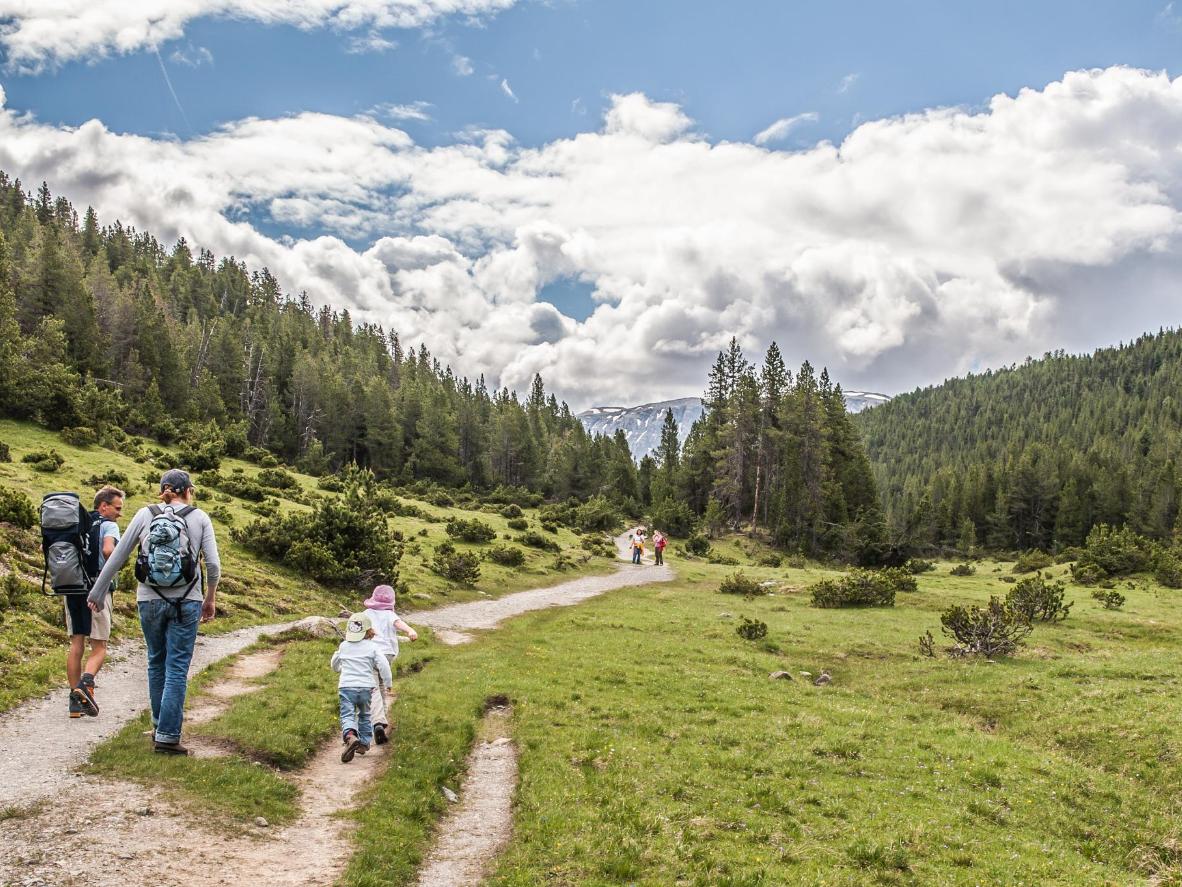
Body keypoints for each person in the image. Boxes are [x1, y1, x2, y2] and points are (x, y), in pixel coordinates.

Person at [86, 469, 220, 755]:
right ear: (187, 491)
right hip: (187, 601)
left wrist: (98, 592)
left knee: (155, 661)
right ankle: (169, 737)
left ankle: (160, 726)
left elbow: (119, 555)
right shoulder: (198, 518)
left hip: (149, 599)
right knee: (177, 667)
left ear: (163, 490)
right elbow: (213, 566)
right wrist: (209, 599)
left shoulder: (145, 515)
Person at [66, 485, 124, 718]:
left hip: (73, 589)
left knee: (76, 644)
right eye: (117, 508)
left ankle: (74, 703)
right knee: (99, 646)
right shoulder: (108, 525)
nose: (120, 513)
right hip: (97, 589)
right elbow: (109, 551)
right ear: (104, 506)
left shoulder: (77, 524)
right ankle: (85, 685)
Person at [331, 612, 393, 763]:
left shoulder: (344, 646)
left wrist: (339, 668)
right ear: (369, 631)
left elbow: (334, 663)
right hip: (366, 688)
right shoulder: (372, 647)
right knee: (365, 715)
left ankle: (351, 736)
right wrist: (388, 682)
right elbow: (383, 664)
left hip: (347, 688)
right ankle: (364, 743)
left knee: (347, 715)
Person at [362, 584, 417, 746]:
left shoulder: (366, 613)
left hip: (370, 652)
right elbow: (399, 624)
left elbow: (358, 626)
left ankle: (378, 722)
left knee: (374, 688)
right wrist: (411, 631)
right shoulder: (389, 614)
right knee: (380, 687)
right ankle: (380, 722)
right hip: (387, 654)